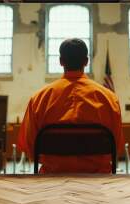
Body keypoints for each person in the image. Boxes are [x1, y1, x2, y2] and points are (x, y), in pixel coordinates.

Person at [17, 38, 124, 173]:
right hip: (98, 179)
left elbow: (30, 146)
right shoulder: (109, 98)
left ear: (61, 61)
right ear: (86, 61)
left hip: (51, 179)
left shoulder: (39, 99)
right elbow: (117, 146)